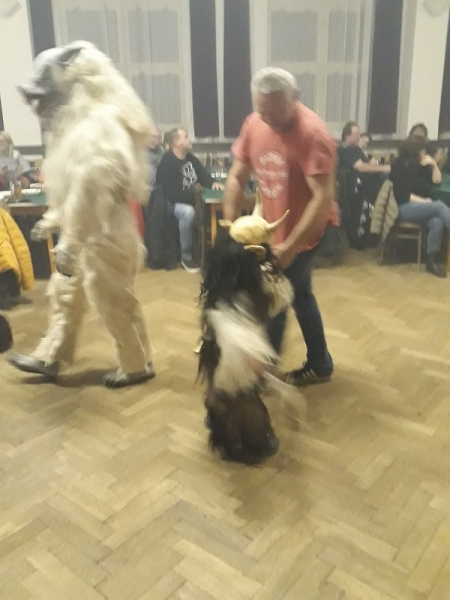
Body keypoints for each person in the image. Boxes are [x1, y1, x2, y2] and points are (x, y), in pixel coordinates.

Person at [8, 41, 155, 387]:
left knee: (114, 300)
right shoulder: (76, 126)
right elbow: (73, 188)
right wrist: (55, 219)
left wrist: (70, 243)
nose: (40, 106)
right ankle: (51, 355)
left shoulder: (100, 124)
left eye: (45, 96)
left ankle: (137, 365)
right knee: (66, 293)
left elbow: (91, 189)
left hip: (108, 235)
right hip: (88, 233)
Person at [222, 67, 337, 387]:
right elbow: (236, 178)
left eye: (278, 112)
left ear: (295, 98)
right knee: (300, 294)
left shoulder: (313, 134)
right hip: (275, 231)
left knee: (273, 298)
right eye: (264, 112)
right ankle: (321, 364)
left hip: (308, 230)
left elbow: (322, 199)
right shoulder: (254, 124)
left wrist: (290, 247)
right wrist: (230, 227)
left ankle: (264, 372)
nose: (270, 120)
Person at [156, 127, 224, 273]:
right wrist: (197, 197)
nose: (189, 139)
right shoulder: (167, 162)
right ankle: (186, 256)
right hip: (170, 205)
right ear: (176, 142)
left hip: (192, 199)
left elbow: (203, 175)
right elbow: (173, 194)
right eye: (186, 136)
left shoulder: (190, 158)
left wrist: (213, 183)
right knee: (188, 212)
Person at [389, 135, 450, 278]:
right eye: (422, 150)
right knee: (438, 206)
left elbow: (437, 181)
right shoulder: (400, 165)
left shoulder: (422, 165)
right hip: (403, 207)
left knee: (437, 221)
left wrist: (433, 164)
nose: (425, 152)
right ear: (414, 150)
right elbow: (403, 195)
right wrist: (425, 202)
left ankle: (431, 261)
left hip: (421, 207)